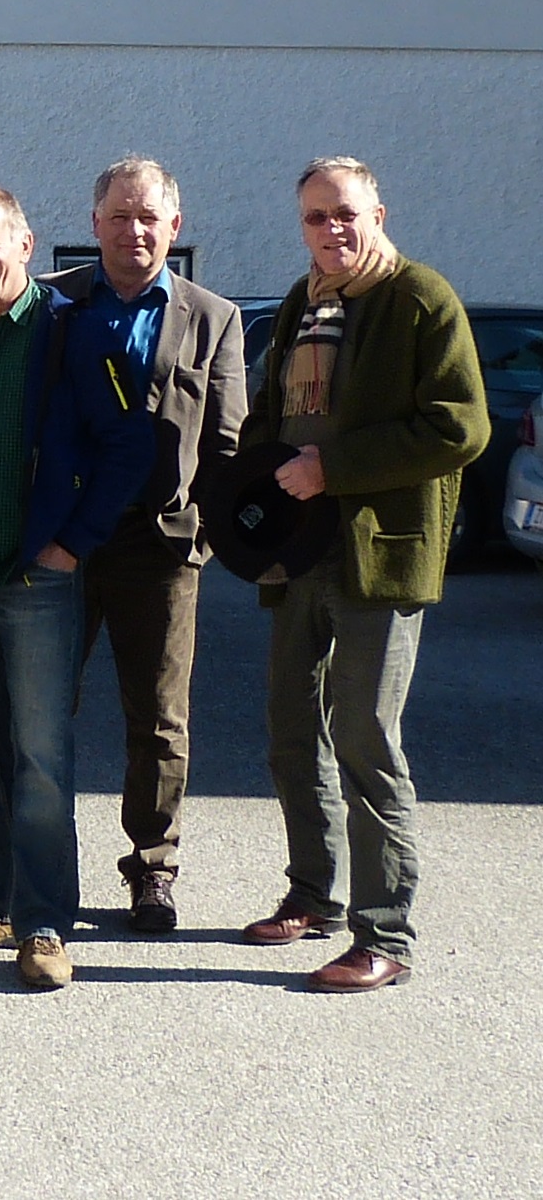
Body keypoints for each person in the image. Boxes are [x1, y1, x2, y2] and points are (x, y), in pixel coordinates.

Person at [238, 158, 484, 993]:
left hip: (379, 555)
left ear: (376, 212)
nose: (330, 229)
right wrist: (252, 504)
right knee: (287, 729)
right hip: (300, 552)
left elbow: (460, 427)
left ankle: (384, 935)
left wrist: (330, 467)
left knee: (365, 739)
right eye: (314, 217)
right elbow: (273, 422)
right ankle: (313, 892)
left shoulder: (420, 298)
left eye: (344, 213)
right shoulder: (301, 305)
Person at [0, 184, 153, 991]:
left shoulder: (70, 334)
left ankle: (45, 922)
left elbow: (128, 447)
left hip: (31, 581)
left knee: (40, 758)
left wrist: (69, 546)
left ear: (24, 243)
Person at [44, 159, 245, 935]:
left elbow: (226, 440)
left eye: (147, 217)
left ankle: (152, 867)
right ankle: (30, 861)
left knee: (157, 719)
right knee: (36, 709)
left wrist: (207, 535)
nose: (132, 231)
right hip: (59, 542)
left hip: (157, 546)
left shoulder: (212, 316)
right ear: (93, 224)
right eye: (118, 216)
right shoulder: (52, 303)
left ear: (174, 225)